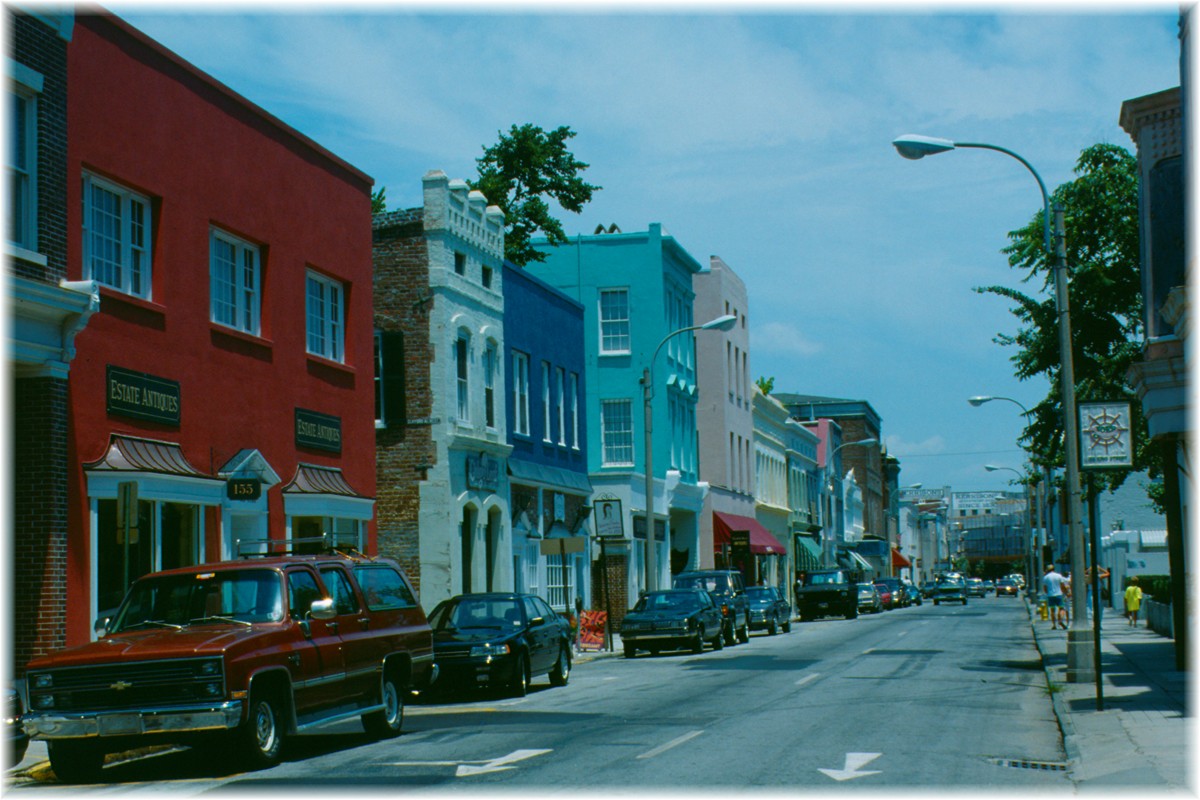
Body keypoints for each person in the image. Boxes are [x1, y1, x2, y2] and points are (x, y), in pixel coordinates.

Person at [1041, 563, 1070, 630]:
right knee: (1061, 609)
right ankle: (1060, 620)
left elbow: (1045, 588)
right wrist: (1066, 592)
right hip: (1059, 594)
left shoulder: (1046, 577)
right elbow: (1062, 586)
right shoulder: (1058, 576)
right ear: (1053, 569)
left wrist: (1048, 593)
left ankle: (1054, 625)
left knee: (1052, 611)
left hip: (1050, 595)